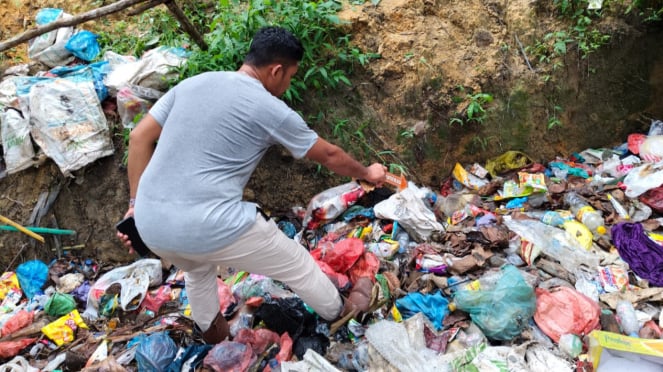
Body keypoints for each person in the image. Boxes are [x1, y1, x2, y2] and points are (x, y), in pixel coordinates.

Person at [117, 26, 387, 343]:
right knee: (297, 263)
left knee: (197, 268)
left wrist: (135, 207)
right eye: (289, 77)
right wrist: (367, 172)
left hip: (150, 224)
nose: (287, 86)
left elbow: (138, 138)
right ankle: (342, 317)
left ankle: (214, 338)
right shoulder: (268, 107)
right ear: (276, 70)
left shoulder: (193, 84)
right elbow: (328, 154)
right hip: (208, 223)